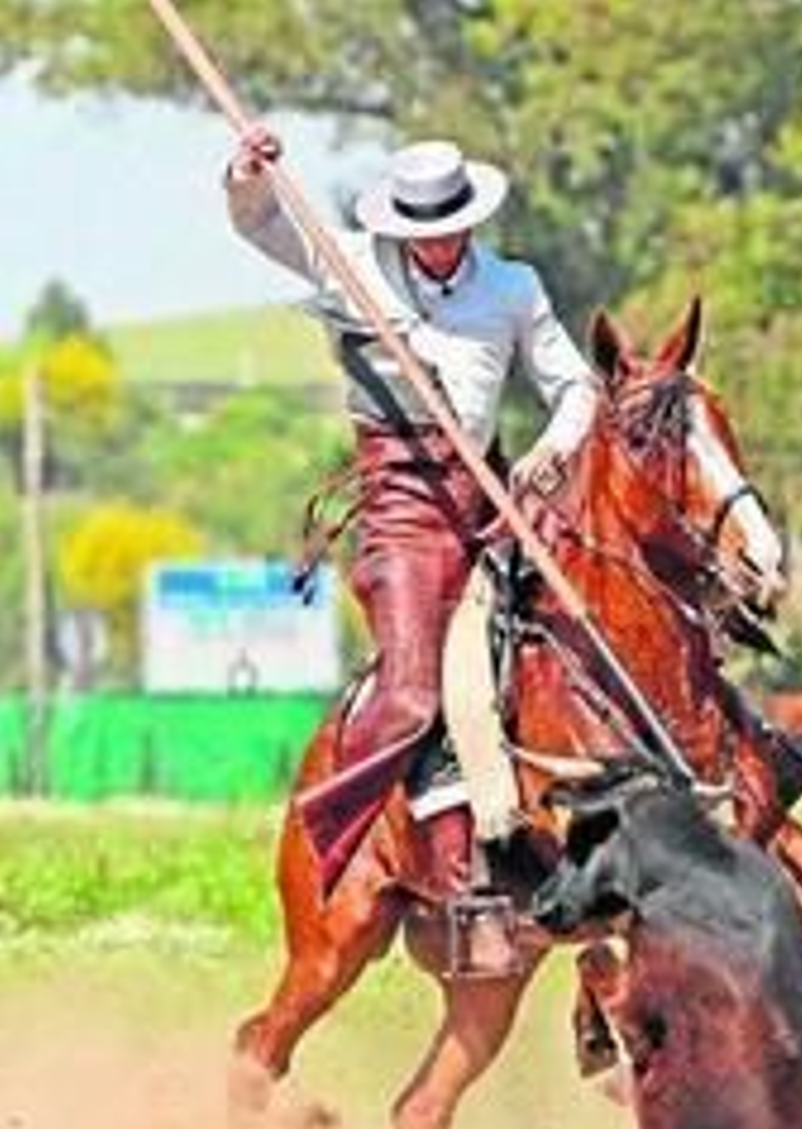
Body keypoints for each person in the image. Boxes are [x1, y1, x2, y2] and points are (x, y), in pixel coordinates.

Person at [225, 127, 599, 887]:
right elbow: (262, 224)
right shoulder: (351, 264)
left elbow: (577, 387)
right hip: (401, 511)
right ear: (397, 226)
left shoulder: (513, 287)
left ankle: (554, 840)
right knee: (412, 695)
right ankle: (338, 844)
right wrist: (248, 176)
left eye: (451, 230)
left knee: (570, 650)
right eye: (423, 235)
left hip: (493, 504)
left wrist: (550, 452)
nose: (439, 246)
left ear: (470, 221)